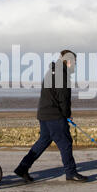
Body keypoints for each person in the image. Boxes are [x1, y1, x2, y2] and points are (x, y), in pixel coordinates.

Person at [14, 50, 88, 183]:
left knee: (43, 142)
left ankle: (22, 168)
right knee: (65, 143)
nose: (75, 66)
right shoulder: (61, 74)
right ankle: (70, 172)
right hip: (54, 116)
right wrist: (67, 115)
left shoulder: (53, 71)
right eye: (75, 63)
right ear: (69, 61)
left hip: (44, 114)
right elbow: (63, 99)